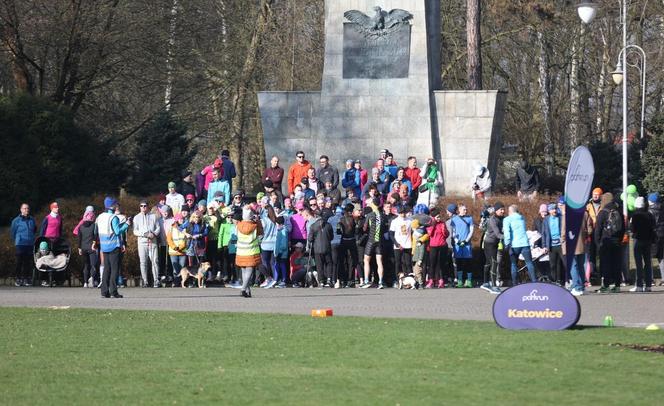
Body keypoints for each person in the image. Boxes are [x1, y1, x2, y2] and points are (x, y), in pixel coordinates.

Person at [96, 197, 131, 298]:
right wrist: (126, 224)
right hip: (113, 246)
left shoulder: (100, 216)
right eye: (115, 204)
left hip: (104, 245)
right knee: (115, 269)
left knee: (106, 269)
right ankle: (113, 291)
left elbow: (96, 230)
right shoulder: (113, 217)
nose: (117, 206)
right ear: (112, 206)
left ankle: (104, 291)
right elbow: (117, 231)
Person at [594, 193, 625, 293]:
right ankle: (617, 285)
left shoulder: (603, 212)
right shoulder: (618, 211)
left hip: (606, 241)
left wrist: (598, 243)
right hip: (617, 241)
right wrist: (619, 239)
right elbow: (623, 228)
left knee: (605, 263)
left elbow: (597, 229)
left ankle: (606, 285)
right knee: (616, 263)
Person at [503, 204, 536, 285]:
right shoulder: (522, 218)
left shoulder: (507, 219)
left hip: (514, 245)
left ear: (510, 211)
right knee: (529, 263)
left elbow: (507, 233)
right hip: (525, 243)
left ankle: (514, 284)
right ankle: (535, 282)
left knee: (514, 264)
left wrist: (506, 244)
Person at [236, 206, 264, 298]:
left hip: (241, 251)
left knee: (244, 270)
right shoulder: (254, 226)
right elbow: (261, 233)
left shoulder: (239, 225)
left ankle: (247, 291)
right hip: (251, 251)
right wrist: (258, 221)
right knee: (250, 270)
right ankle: (243, 289)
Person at [562, 208, 591, 296]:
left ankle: (576, 287)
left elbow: (563, 232)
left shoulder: (566, 216)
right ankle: (582, 287)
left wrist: (563, 242)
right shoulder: (585, 214)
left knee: (573, 266)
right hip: (582, 244)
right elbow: (590, 229)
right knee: (580, 266)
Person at [630, 196, 656, 292]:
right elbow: (653, 226)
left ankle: (639, 285)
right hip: (648, 240)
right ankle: (648, 285)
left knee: (639, 263)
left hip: (638, 239)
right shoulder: (649, 215)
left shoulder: (635, 216)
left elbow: (632, 229)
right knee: (648, 262)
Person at [132, 200, 160, 288]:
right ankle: (145, 281)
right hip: (142, 242)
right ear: (139, 207)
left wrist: (154, 234)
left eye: (145, 206)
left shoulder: (154, 216)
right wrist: (143, 234)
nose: (143, 207)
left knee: (155, 261)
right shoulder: (136, 217)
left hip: (152, 241)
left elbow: (158, 227)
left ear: (148, 207)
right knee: (143, 262)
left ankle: (156, 280)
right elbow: (135, 231)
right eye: (141, 206)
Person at [361, 198, 386, 288]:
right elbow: (385, 228)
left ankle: (366, 280)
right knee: (379, 261)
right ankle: (380, 282)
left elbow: (364, 228)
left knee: (366, 260)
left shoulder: (370, 215)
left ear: (373, 204)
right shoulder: (383, 215)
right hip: (379, 240)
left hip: (371, 240)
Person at [305, 208, 334, 287]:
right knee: (329, 263)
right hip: (327, 246)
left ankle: (321, 281)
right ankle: (329, 279)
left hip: (317, 248)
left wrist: (311, 242)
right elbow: (332, 236)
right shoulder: (328, 225)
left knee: (319, 265)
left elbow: (310, 239)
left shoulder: (313, 226)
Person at [10, 203, 37, 287]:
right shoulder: (16, 220)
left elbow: (34, 230)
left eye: (28, 208)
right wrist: (17, 240)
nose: (26, 210)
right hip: (20, 244)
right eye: (25, 208)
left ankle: (26, 279)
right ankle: (18, 279)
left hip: (30, 244)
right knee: (19, 262)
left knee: (28, 262)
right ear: (21, 209)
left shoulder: (32, 219)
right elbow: (13, 232)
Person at [481, 201, 504, 294]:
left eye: (503, 209)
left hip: (494, 244)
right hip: (489, 244)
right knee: (494, 263)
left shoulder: (502, 218)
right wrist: (510, 237)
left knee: (488, 263)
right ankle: (493, 286)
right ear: (496, 210)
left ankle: (485, 283)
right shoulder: (492, 220)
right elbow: (498, 234)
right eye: (500, 209)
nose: (502, 211)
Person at [450, 204, 474, 288]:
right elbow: (453, 232)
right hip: (458, 245)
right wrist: (457, 241)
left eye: (466, 209)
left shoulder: (470, 218)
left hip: (467, 244)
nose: (466, 210)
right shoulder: (454, 219)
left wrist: (466, 240)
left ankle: (469, 281)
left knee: (468, 263)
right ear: (459, 210)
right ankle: (460, 281)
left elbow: (471, 231)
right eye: (464, 209)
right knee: (459, 263)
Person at [542, 203, 565, 285]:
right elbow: (544, 233)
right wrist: (544, 246)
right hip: (551, 245)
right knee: (553, 264)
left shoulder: (561, 218)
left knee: (563, 263)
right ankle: (554, 280)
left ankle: (562, 280)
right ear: (549, 211)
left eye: (555, 209)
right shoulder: (546, 219)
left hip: (561, 244)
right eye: (552, 209)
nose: (554, 210)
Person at [337, 203, 359, 287]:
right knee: (352, 261)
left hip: (343, 241)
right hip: (352, 241)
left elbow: (338, 232)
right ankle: (351, 280)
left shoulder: (341, 219)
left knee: (343, 261)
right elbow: (356, 231)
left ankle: (343, 280)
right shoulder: (354, 219)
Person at [390, 205, 412, 284]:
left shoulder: (410, 220)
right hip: (398, 245)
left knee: (408, 263)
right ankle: (397, 280)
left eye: (404, 213)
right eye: (401, 213)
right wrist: (397, 244)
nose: (403, 214)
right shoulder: (395, 221)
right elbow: (391, 234)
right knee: (398, 263)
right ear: (398, 213)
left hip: (408, 244)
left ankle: (409, 280)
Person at [585, 187, 603, 286]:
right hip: (591, 231)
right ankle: (592, 272)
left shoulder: (602, 205)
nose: (595, 196)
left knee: (600, 252)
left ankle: (601, 272)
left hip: (600, 231)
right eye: (594, 194)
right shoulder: (588, 205)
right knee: (591, 253)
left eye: (597, 194)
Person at [259, 198, 278, 289]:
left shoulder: (264, 221)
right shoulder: (275, 221)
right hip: (273, 243)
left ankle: (268, 279)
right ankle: (275, 279)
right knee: (272, 263)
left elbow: (261, 233)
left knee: (265, 262)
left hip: (265, 244)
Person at [76, 207, 98, 288]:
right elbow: (95, 236)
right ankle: (92, 278)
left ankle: (85, 282)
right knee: (93, 265)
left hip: (83, 248)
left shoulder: (81, 226)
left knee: (86, 265)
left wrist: (79, 248)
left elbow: (79, 238)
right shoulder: (94, 225)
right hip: (91, 248)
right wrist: (94, 244)